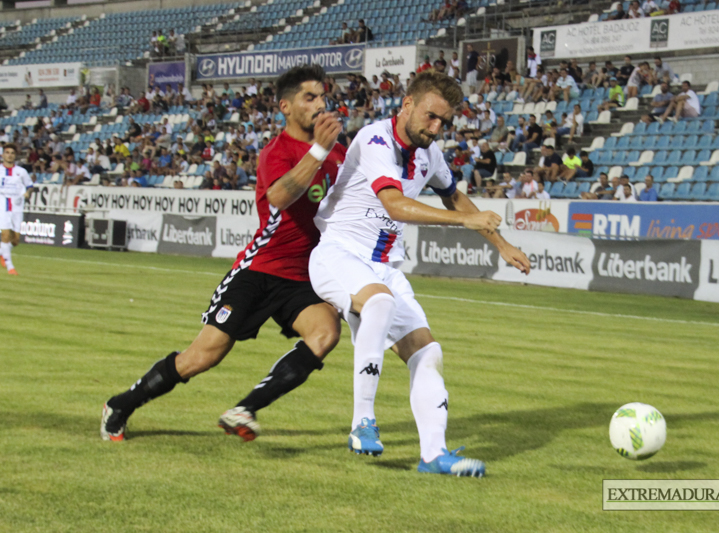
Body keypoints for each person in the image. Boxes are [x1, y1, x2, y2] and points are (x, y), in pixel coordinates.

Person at [100, 65, 346, 443]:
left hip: (303, 276)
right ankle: (122, 403)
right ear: (285, 106)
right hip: (259, 269)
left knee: (326, 333)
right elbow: (280, 197)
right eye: (309, 97)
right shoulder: (276, 152)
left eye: (322, 96)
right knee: (203, 356)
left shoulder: (338, 155)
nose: (319, 104)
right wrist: (319, 151)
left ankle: (244, 409)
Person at [308, 69, 530, 476]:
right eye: (431, 116)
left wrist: (502, 245)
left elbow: (454, 196)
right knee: (378, 302)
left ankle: (433, 455)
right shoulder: (375, 138)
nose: (436, 127)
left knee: (428, 352)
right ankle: (362, 422)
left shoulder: (430, 154)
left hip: (385, 267)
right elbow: (393, 204)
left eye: (444, 122)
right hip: (337, 253)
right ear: (407, 103)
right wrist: (464, 223)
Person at [0, 144, 33, 276]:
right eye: (7, 152)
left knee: (15, 240)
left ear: (15, 155)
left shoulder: (21, 171)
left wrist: (28, 193)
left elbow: (30, 186)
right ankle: (10, 267)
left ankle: (2, 252)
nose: (10, 155)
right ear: (3, 155)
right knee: (6, 235)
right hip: (2, 203)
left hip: (17, 205)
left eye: (12, 153)